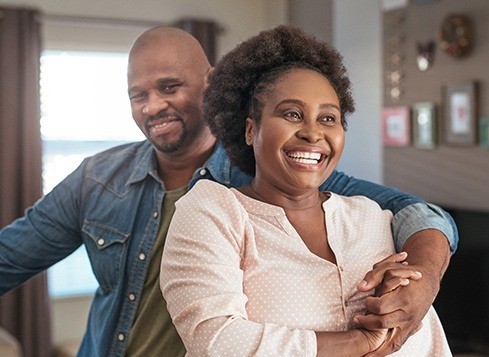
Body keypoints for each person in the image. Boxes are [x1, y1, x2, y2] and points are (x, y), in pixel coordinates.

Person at [0, 26, 455, 356]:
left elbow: (418, 214)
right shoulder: (97, 179)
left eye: (169, 87)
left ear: (210, 83)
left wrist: (426, 279)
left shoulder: (278, 175)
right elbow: (9, 256)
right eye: (138, 95)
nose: (153, 105)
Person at [160, 25, 452, 356]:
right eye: (292, 114)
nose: (312, 132)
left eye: (328, 118)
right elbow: (215, 341)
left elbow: (425, 334)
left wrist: (414, 284)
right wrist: (358, 341)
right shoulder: (213, 210)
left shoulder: (370, 215)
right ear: (250, 129)